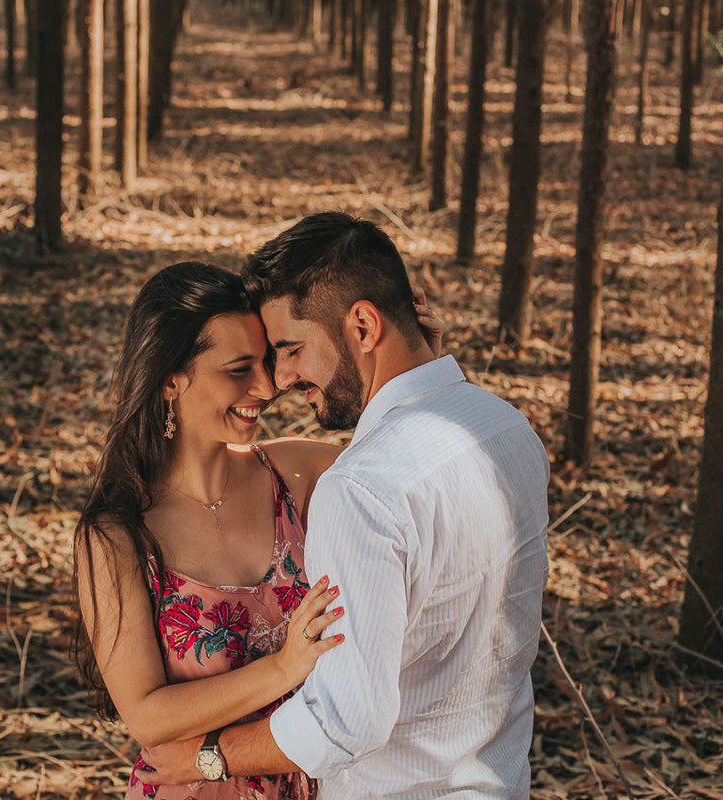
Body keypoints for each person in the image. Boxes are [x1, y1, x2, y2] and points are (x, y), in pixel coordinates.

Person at [140, 212, 551, 799]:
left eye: (290, 349)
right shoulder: (506, 430)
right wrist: (423, 366)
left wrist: (208, 759)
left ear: (363, 323)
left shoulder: (359, 489)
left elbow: (345, 720)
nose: (280, 378)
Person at [74, 260, 442, 800]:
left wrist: (418, 362)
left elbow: (423, 460)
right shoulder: (116, 537)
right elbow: (148, 716)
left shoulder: (301, 476)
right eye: (238, 368)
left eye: (266, 362)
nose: (267, 386)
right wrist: (284, 667)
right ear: (171, 378)